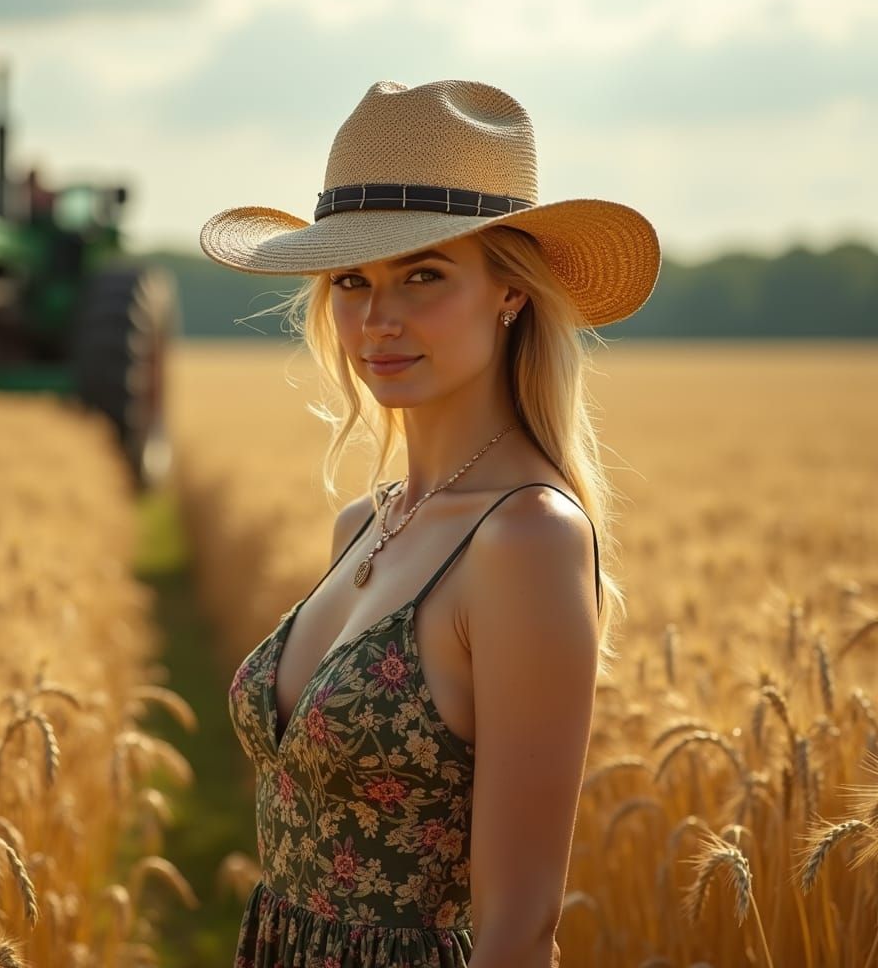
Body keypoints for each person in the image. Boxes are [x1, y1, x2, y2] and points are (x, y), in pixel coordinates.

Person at [200, 79, 660, 967]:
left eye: (423, 274)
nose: (377, 320)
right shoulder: (362, 528)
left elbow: (519, 929)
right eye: (351, 281)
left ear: (511, 293)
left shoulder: (526, 540)